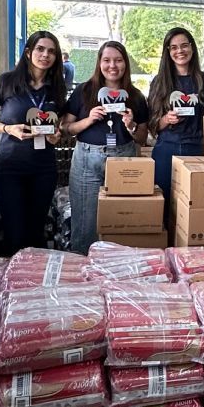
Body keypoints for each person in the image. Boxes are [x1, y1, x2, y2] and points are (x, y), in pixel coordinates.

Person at [0, 32, 68, 253]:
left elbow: (60, 127)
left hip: (43, 167)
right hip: (10, 167)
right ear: (28, 52)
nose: (45, 55)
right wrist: (7, 129)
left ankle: (32, 282)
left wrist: (57, 135)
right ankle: (12, 283)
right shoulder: (6, 82)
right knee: (14, 232)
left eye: (51, 51)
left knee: (36, 232)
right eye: (40, 49)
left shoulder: (56, 89)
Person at [64, 41, 150, 253]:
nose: (113, 65)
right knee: (85, 222)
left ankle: (116, 270)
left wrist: (131, 125)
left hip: (124, 159)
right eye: (107, 60)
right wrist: (88, 120)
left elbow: (142, 138)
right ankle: (83, 269)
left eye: (118, 60)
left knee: (121, 220)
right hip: (87, 160)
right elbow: (66, 128)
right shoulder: (83, 91)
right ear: (99, 63)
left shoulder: (136, 96)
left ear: (125, 64)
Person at [147, 27, 204, 202]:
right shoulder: (159, 82)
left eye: (184, 45)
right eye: (174, 47)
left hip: (199, 151)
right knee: (164, 205)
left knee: (196, 205)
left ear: (192, 48)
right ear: (168, 52)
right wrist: (166, 119)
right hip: (167, 151)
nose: (179, 51)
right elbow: (152, 126)